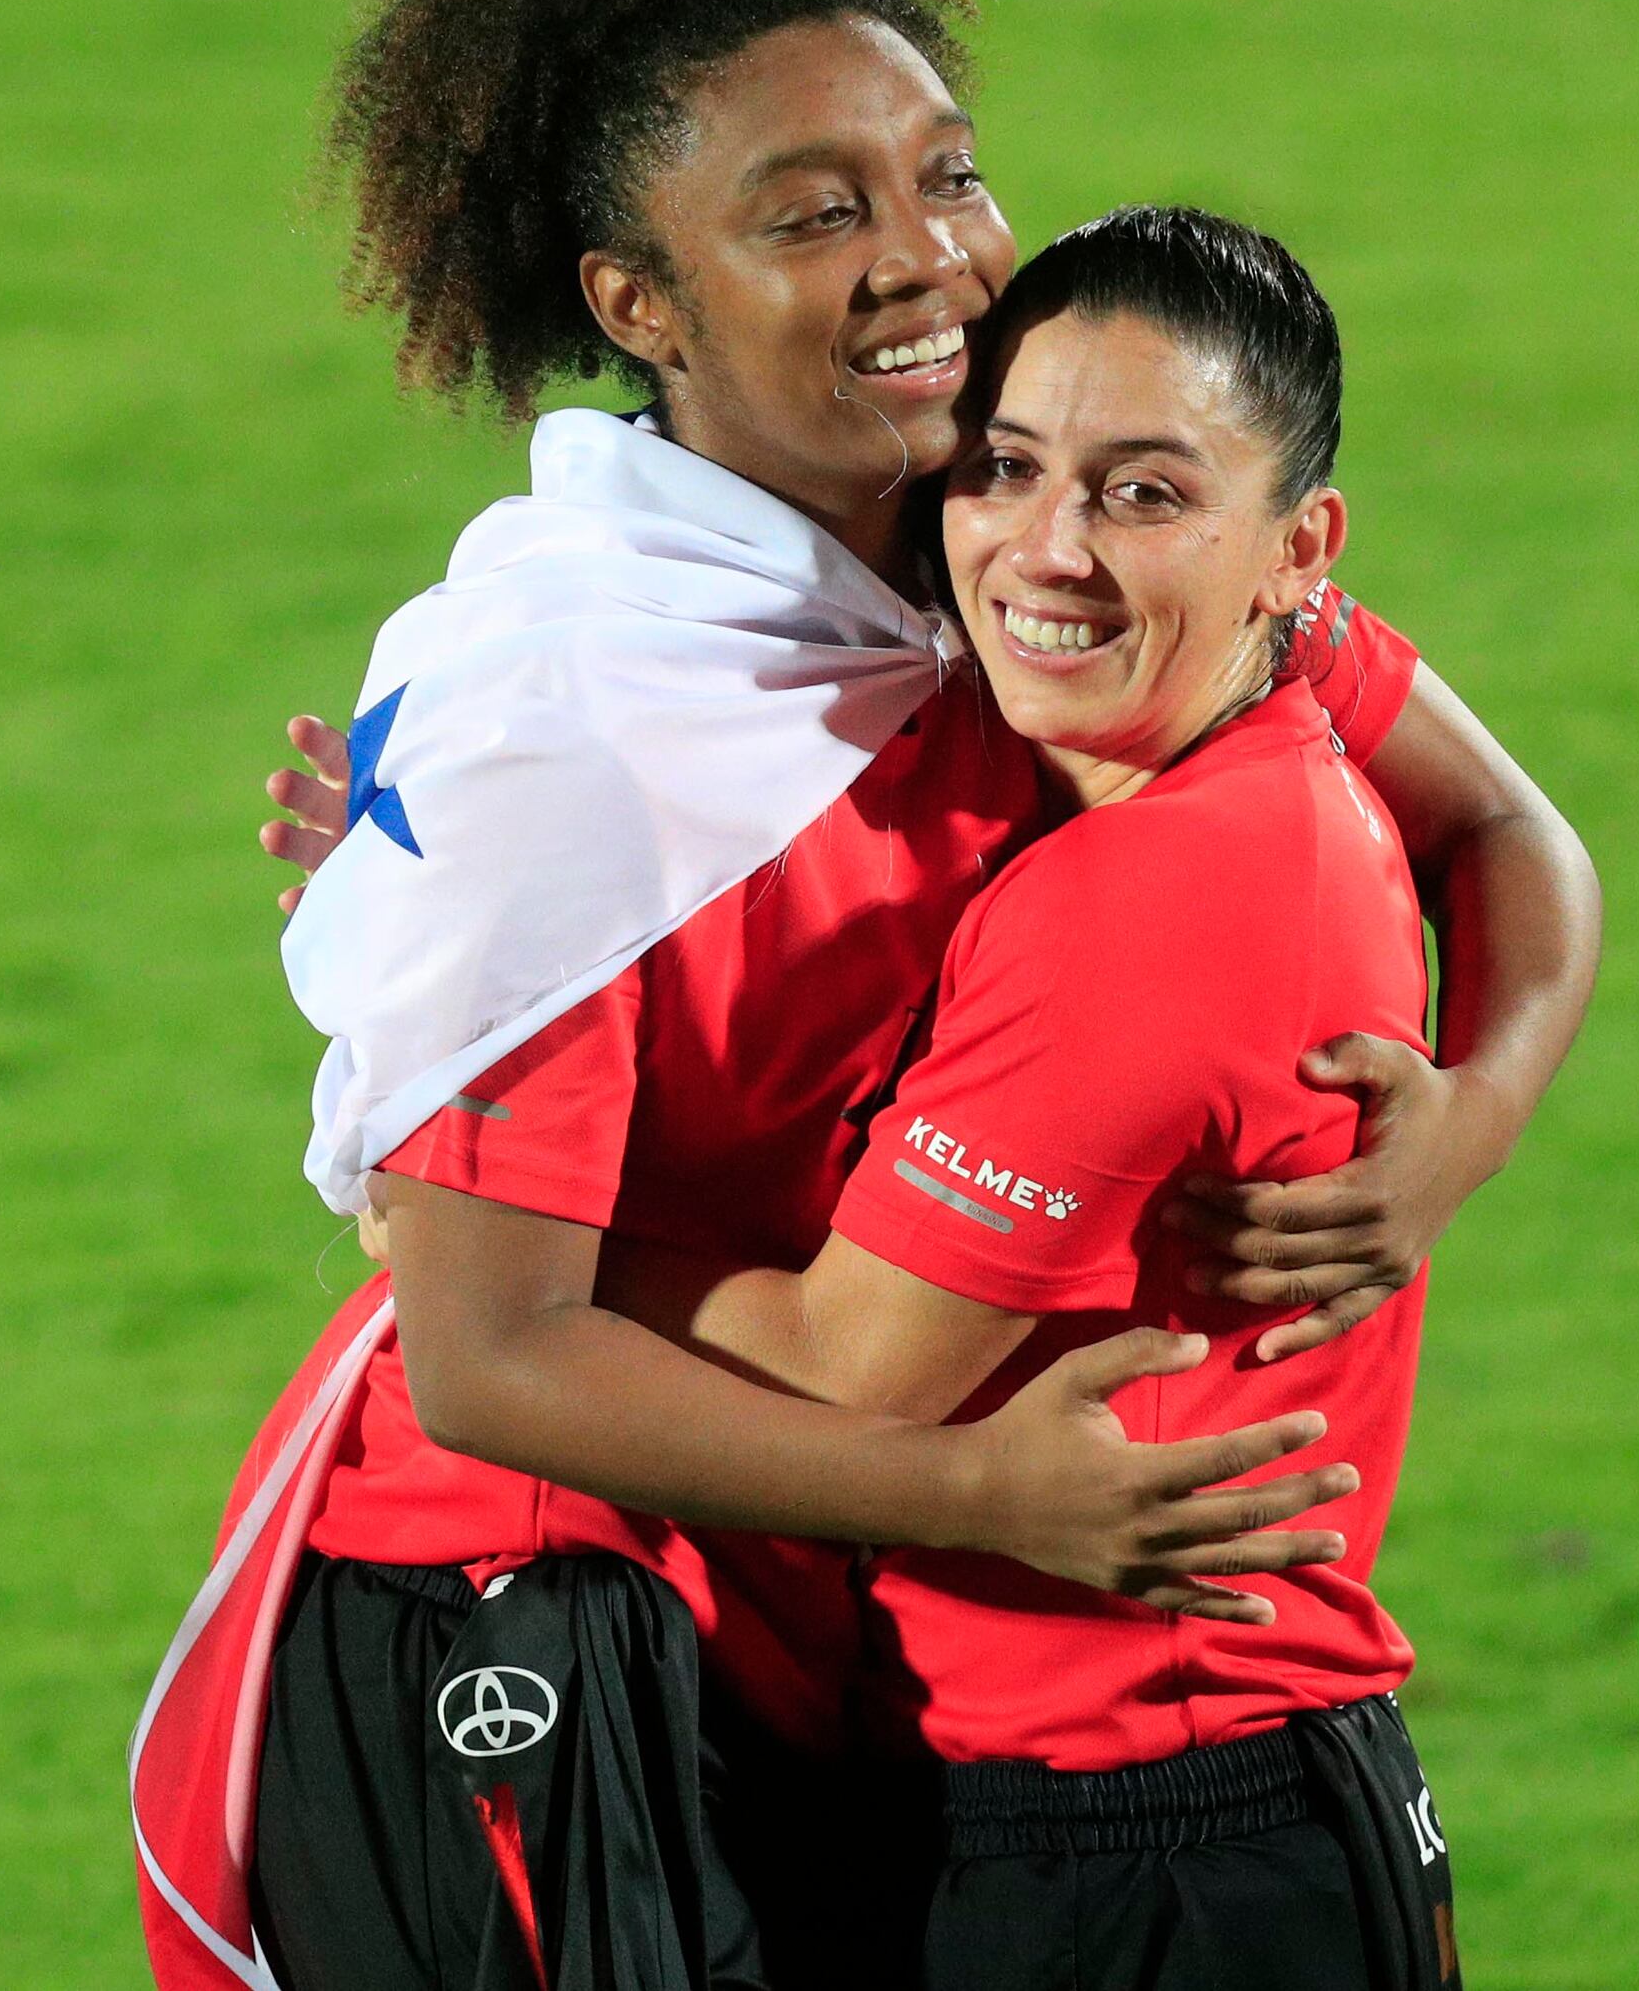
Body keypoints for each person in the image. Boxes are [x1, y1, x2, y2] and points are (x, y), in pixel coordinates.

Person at [129, 0, 1594, 1991]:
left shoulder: (1030, 545)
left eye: (947, 171)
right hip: (549, 1619)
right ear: (641, 298)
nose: (928, 254)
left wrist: (1461, 1127)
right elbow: (490, 1356)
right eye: (815, 213)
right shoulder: (568, 721)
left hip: (837, 1609)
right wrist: (984, 1495)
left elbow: (1511, 830)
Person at [610, 207, 1467, 1990]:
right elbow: (1520, 828)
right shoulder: (1245, 739)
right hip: (1172, 1808)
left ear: (1298, 549)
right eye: (1003, 466)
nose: (1046, 548)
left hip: (1158, 1850)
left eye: (1145, 493)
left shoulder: (1154, 897)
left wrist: (494, 1230)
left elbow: (842, 1369)